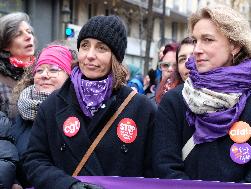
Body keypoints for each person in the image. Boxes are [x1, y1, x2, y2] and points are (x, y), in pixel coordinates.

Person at [153, 5, 251, 184]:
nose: (196, 49)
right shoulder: (174, 101)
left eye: (207, 40)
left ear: (235, 45)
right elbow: (165, 168)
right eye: (195, 40)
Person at [23, 15, 155, 189]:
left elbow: (153, 171)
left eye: (101, 48)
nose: (90, 55)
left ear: (115, 57)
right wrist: (68, 185)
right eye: (85, 45)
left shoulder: (142, 109)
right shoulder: (52, 105)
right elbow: (34, 160)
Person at [10, 43, 75, 188]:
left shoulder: (78, 115)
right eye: (39, 70)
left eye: (53, 69)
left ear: (71, 75)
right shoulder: (17, 112)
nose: (44, 75)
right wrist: (12, 180)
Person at [0, 12, 35, 118]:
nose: (28, 36)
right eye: (18, 34)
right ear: (6, 45)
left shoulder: (43, 72)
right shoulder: (1, 81)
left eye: (29, 32)